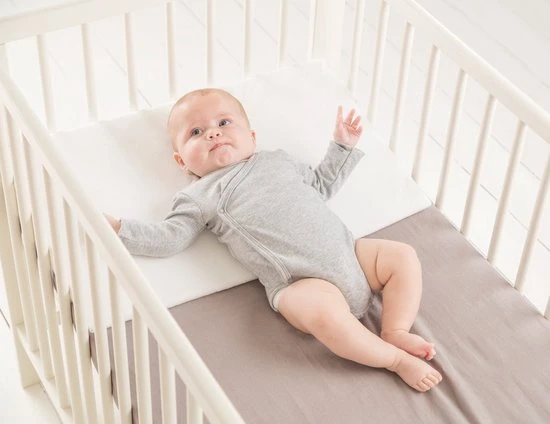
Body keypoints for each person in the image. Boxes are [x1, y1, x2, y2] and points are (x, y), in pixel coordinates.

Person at [106, 88, 443, 392]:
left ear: (252, 137)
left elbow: (321, 185)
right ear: (182, 160)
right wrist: (119, 229)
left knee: (402, 256)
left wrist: (342, 146)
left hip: (351, 255)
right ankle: (394, 359)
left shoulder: (277, 160)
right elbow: (171, 237)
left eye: (224, 122)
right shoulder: (200, 195)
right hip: (300, 282)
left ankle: (395, 330)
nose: (213, 133)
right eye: (196, 132)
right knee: (325, 317)